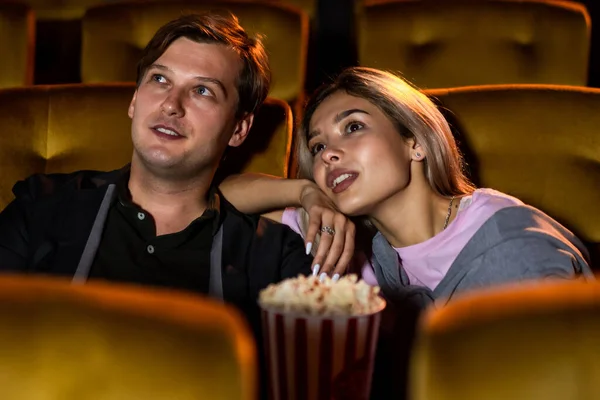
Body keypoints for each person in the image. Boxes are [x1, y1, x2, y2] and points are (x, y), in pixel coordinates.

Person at [0, 15, 355, 395]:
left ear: (239, 129)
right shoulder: (41, 206)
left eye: (202, 91)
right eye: (160, 79)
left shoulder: (273, 257)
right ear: (135, 101)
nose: (172, 104)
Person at [221, 66, 594, 304]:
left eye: (353, 127)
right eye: (317, 146)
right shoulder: (345, 235)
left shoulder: (515, 251)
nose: (328, 154)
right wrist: (305, 192)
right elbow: (211, 204)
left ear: (414, 143)